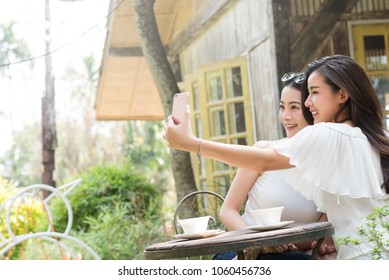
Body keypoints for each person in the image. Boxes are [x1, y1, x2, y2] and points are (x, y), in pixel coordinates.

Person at [164, 55, 389, 260]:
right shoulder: (377, 138)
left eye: (314, 92)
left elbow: (263, 160)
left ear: (342, 94)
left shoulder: (328, 134)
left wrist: (192, 143)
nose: (308, 102)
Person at [213, 72, 335, 260]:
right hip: (241, 250)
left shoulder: (328, 167)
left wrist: (309, 246)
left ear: (312, 110)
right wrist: (262, 242)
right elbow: (227, 211)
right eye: (282, 107)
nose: (285, 116)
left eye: (294, 107)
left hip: (290, 255)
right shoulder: (264, 152)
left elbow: (317, 235)